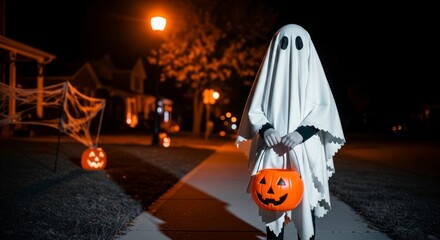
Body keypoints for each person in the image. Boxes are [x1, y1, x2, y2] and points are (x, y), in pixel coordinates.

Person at [235, 24, 345, 240]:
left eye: (299, 44)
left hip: (304, 150)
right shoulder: (267, 77)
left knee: (306, 200)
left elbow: (324, 110)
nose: (292, 52)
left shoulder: (314, 76)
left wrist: (300, 134)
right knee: (271, 201)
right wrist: (266, 129)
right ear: (275, 47)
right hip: (272, 149)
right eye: (284, 44)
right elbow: (254, 108)